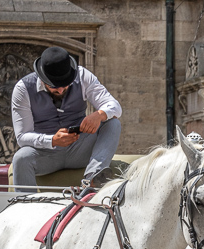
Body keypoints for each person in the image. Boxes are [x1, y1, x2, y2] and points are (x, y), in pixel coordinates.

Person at [10, 46, 122, 187]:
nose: (61, 89)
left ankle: (93, 177)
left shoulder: (82, 76)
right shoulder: (23, 89)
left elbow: (115, 106)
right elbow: (22, 137)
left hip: (80, 149)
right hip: (46, 154)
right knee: (20, 158)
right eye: (55, 86)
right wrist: (52, 140)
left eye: (65, 84)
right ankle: (26, 205)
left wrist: (99, 114)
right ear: (42, 79)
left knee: (112, 123)